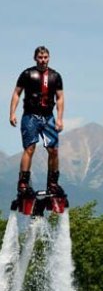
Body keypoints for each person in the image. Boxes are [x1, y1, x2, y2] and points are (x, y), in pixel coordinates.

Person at [9, 46, 65, 198]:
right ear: (35, 58)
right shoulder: (27, 74)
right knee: (30, 148)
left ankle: (53, 183)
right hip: (30, 116)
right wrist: (12, 113)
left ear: (49, 58)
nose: (43, 60)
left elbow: (60, 97)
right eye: (40, 57)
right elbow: (16, 93)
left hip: (48, 117)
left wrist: (59, 118)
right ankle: (23, 183)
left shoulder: (55, 76)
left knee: (53, 150)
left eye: (45, 57)